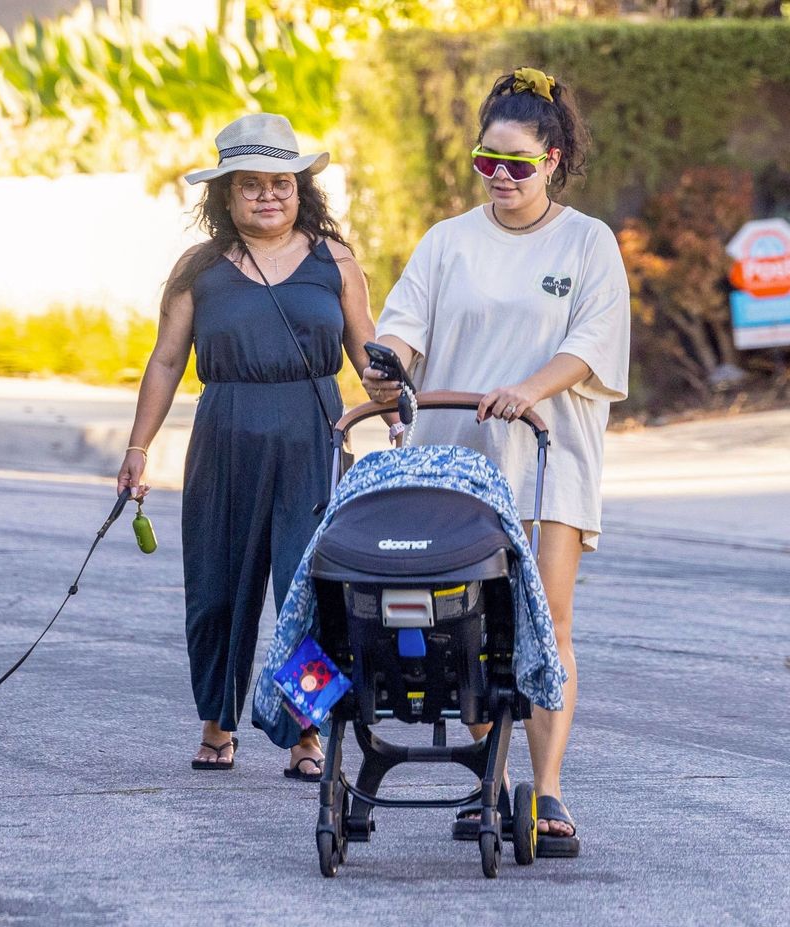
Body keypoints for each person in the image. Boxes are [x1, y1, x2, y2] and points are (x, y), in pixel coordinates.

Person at [363, 67, 630, 856]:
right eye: (488, 163)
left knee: (545, 628)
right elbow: (403, 325)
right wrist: (388, 366)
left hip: (552, 462)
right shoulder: (448, 242)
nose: (501, 179)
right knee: (463, 633)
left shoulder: (588, 242)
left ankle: (545, 792)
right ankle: (490, 780)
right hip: (457, 465)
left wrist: (528, 389)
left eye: (517, 164)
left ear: (553, 159)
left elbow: (590, 344)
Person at [117, 112, 376, 779]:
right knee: (217, 588)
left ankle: (306, 734)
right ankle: (217, 722)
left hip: (313, 434)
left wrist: (399, 385)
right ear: (225, 195)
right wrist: (139, 448)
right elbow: (167, 361)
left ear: (301, 190)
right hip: (225, 430)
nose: (269, 195)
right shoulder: (199, 269)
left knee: (311, 588)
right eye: (252, 185)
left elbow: (368, 352)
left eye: (281, 184)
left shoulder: (334, 261)